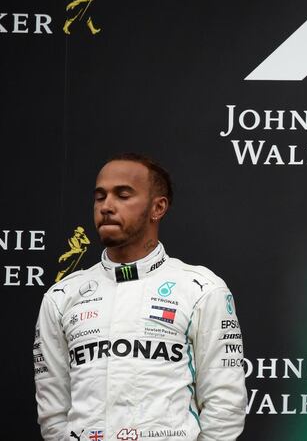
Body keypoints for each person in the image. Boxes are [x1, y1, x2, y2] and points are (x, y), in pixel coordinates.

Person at [33, 153, 246, 440]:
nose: (107, 206)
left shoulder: (202, 289)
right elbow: (53, 411)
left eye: (123, 195)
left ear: (158, 207)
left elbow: (225, 404)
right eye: (100, 197)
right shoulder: (62, 295)